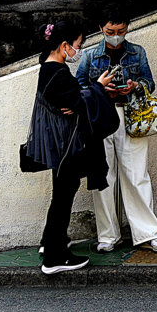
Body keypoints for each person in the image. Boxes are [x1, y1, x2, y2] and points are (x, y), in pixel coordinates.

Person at [75, 4, 157, 254]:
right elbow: (80, 86)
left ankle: (149, 233)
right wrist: (99, 88)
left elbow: (149, 81)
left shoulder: (137, 52)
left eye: (121, 30)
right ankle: (108, 235)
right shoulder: (88, 55)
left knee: (137, 174)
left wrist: (135, 86)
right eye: (110, 30)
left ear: (127, 27)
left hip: (131, 114)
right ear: (101, 29)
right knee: (103, 176)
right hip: (100, 115)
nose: (116, 35)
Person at [25, 20, 115, 274]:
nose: (80, 50)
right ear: (64, 46)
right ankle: (54, 258)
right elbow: (75, 101)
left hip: (57, 144)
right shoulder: (59, 74)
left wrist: (83, 97)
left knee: (60, 195)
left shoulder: (49, 68)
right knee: (63, 198)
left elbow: (75, 102)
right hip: (67, 145)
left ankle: (51, 243)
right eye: (78, 45)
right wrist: (98, 86)